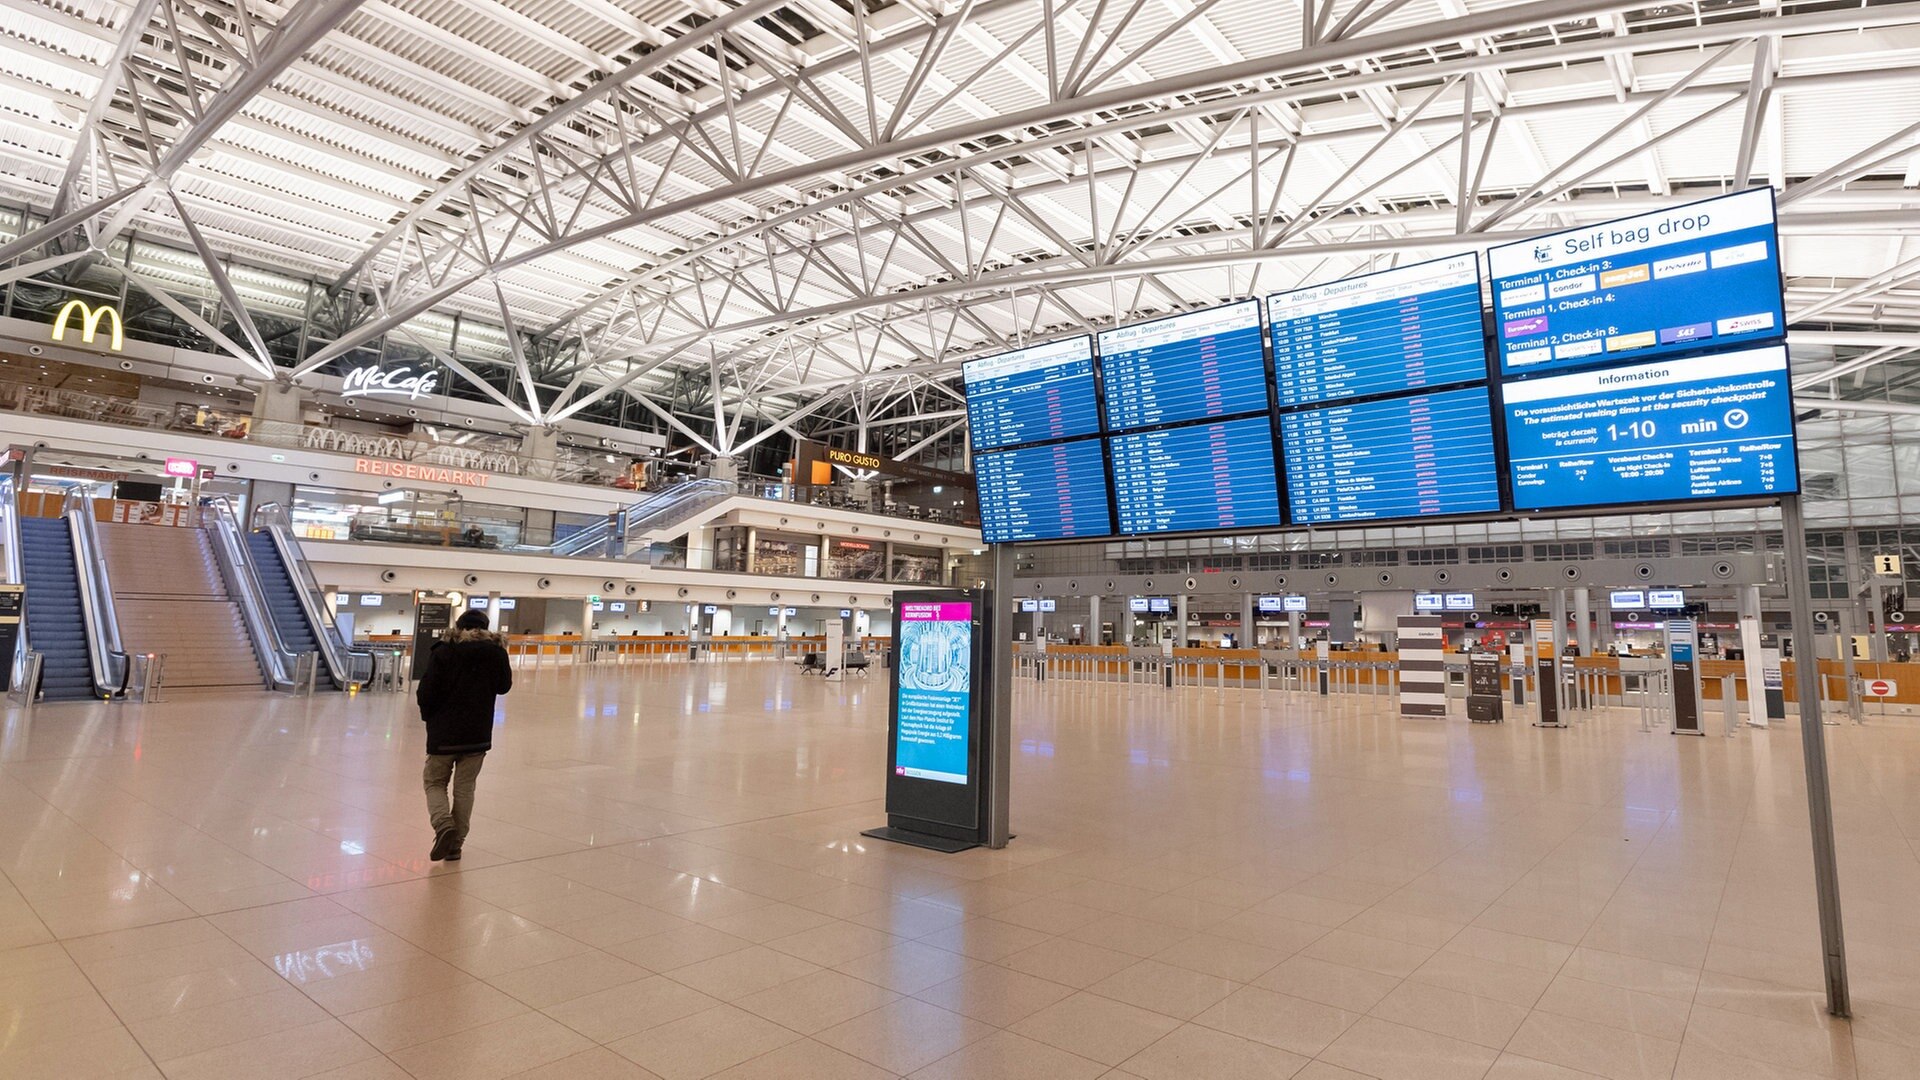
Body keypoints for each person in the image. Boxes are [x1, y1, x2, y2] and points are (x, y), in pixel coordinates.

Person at [417, 608, 513, 861]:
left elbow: (426, 691)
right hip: (478, 731)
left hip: (443, 731)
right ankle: (455, 845)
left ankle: (443, 825)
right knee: (465, 788)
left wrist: (429, 718)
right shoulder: (496, 652)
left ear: (459, 627)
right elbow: (504, 687)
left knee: (435, 782)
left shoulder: (444, 650)